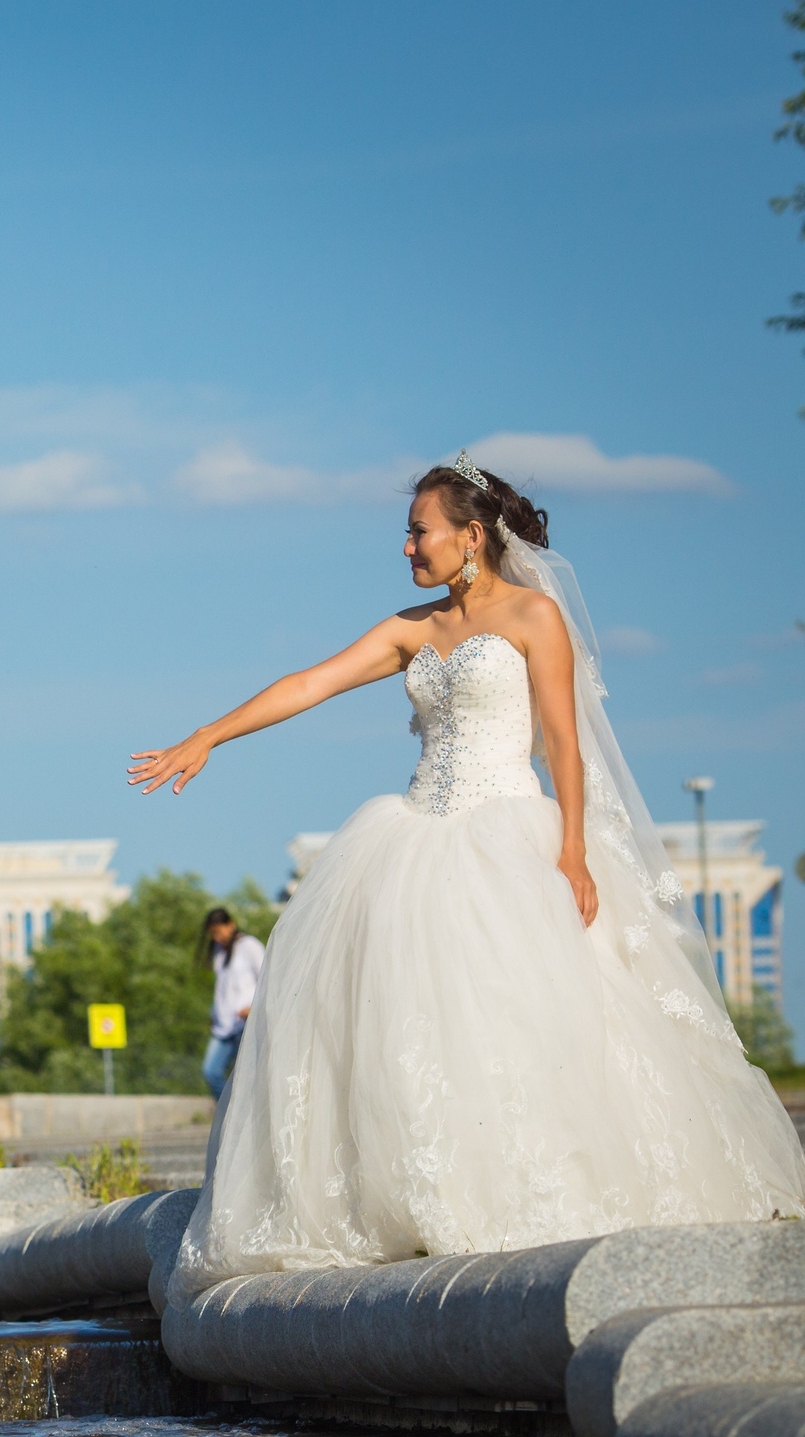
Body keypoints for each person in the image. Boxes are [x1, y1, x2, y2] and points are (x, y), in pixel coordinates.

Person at [129, 453, 802, 1294]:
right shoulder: (409, 628)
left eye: (420, 531)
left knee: (517, 1021)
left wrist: (572, 851)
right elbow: (310, 683)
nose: (407, 546)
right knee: (406, 1028)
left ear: (471, 536)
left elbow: (564, 743)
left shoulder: (533, 616)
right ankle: (414, 1207)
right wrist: (208, 735)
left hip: (508, 839)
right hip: (410, 840)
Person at [199, 908, 262, 1100]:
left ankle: (243, 1113)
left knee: (246, 1076)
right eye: (213, 933)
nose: (216, 937)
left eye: (219, 932)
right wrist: (214, 1013)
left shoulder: (249, 945)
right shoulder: (219, 951)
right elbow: (222, 988)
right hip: (223, 1026)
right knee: (211, 1071)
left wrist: (254, 1008)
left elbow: (268, 978)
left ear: (231, 924)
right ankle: (227, 1113)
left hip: (244, 1024)